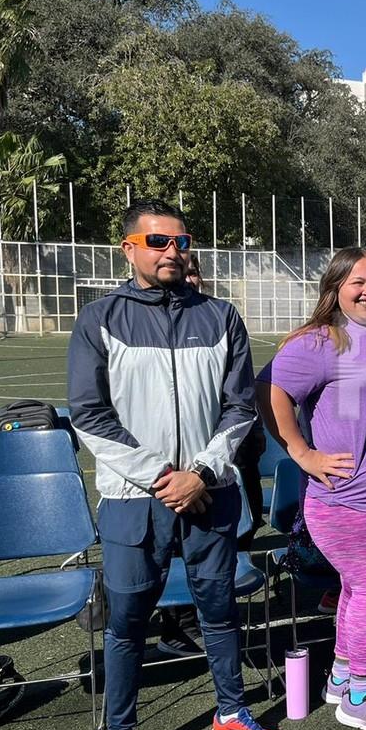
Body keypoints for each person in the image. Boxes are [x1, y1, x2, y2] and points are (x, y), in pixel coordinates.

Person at [69, 199, 284, 730]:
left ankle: (232, 713)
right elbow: (88, 415)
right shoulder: (100, 318)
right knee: (127, 623)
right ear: (129, 249)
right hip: (132, 500)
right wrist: (163, 475)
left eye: (180, 241)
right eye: (157, 241)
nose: (172, 251)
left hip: (209, 494)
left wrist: (202, 472)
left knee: (218, 611)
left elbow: (240, 407)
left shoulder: (221, 316)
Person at [257, 247, 366, 730]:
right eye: (358, 282)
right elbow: (269, 391)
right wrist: (302, 452)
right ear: (334, 288)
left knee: (360, 589)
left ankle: (341, 676)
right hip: (352, 500)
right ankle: (362, 695)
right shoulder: (319, 342)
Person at [158, 254, 269, 658]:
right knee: (179, 548)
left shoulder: (221, 319)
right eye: (184, 271)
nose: (190, 276)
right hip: (181, 469)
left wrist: (243, 442)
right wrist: (193, 469)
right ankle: (181, 625)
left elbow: (239, 396)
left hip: (235, 456)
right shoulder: (155, 330)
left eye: (194, 270)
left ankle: (218, 614)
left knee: (243, 529)